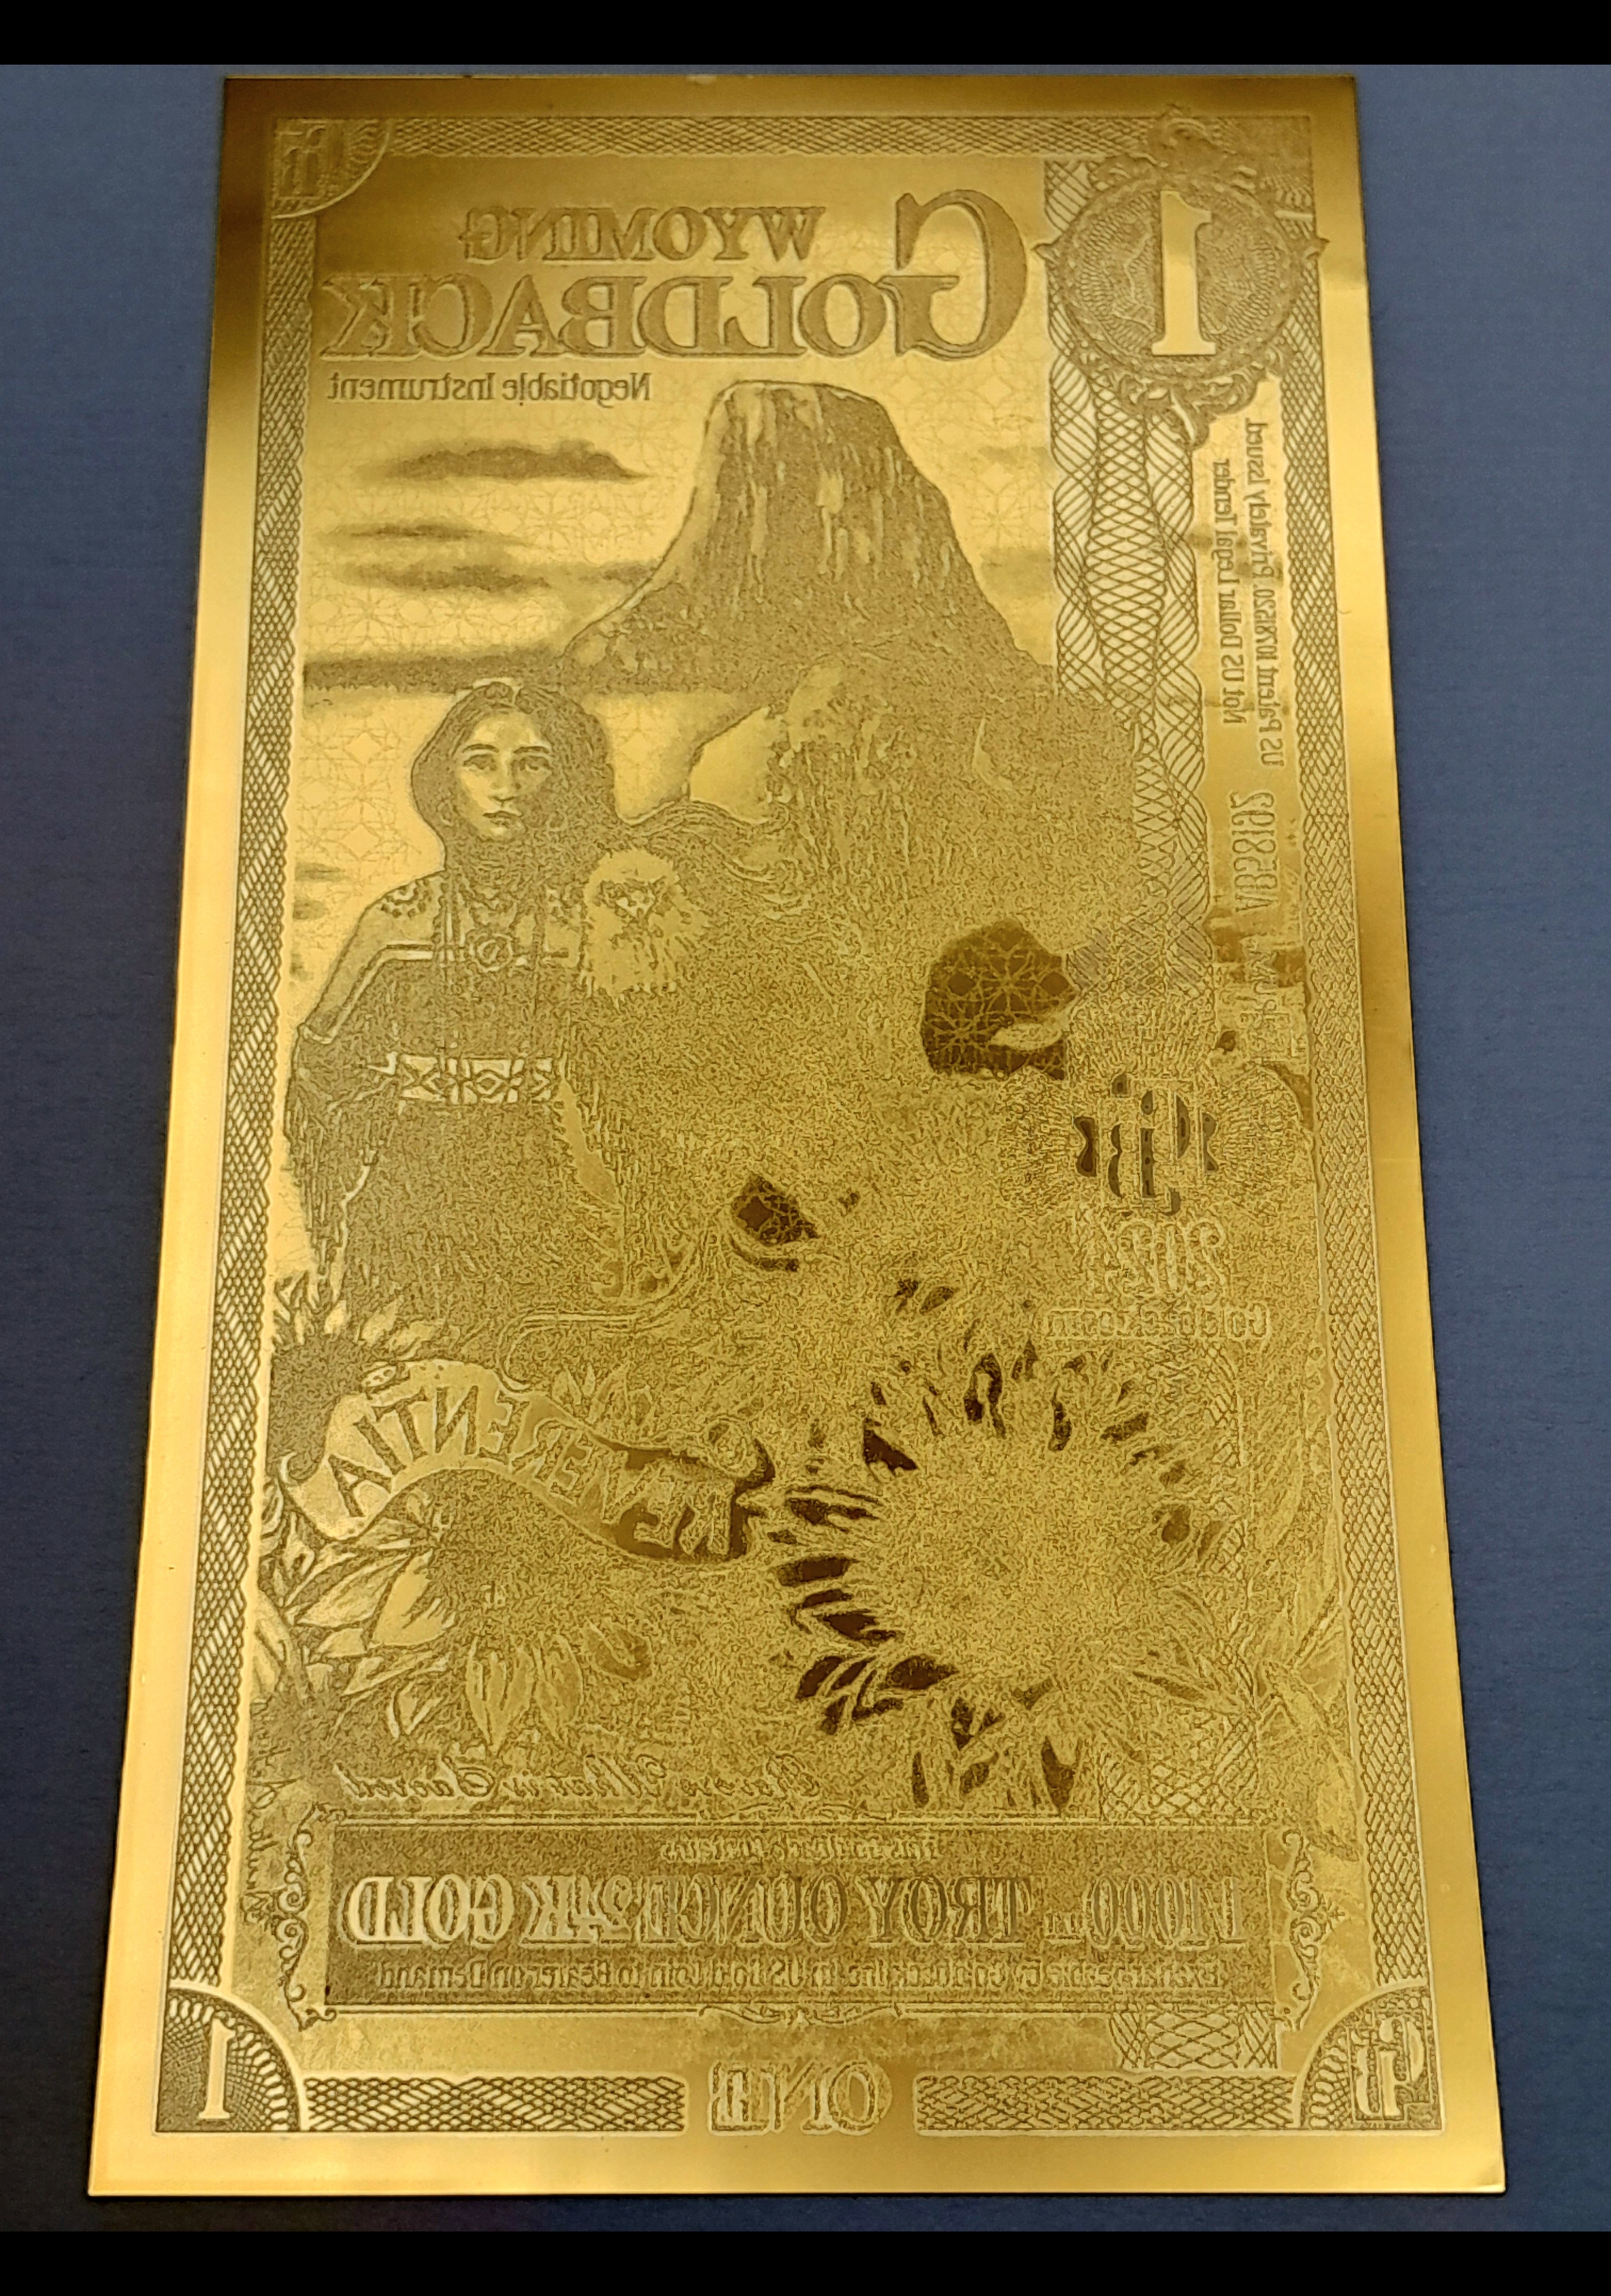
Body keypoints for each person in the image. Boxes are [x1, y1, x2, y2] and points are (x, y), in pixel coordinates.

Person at [286, 679, 627, 1356]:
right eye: (480, 762)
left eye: (532, 763)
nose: (506, 787)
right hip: (412, 1199)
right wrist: (367, 1135)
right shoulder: (395, 922)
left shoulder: (585, 926)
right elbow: (319, 1064)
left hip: (539, 1192)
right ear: (445, 781)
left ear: (561, 782)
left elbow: (631, 1077)